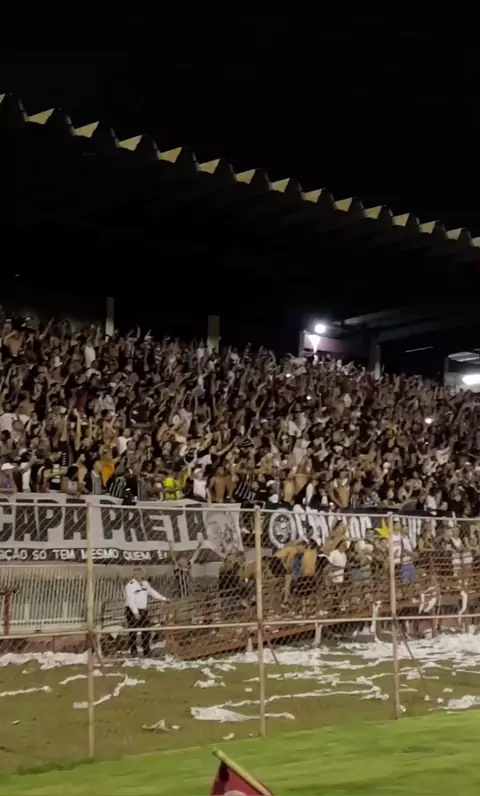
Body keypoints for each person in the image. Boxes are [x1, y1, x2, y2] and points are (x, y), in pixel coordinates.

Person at [124, 567, 169, 657]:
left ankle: (146, 650)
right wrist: (135, 612)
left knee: (146, 630)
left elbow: (153, 592)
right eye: (136, 574)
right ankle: (133, 651)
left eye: (140, 573)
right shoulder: (130, 585)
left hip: (143, 610)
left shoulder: (145, 584)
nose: (138, 575)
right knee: (133, 631)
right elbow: (130, 600)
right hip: (132, 610)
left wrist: (164, 599)